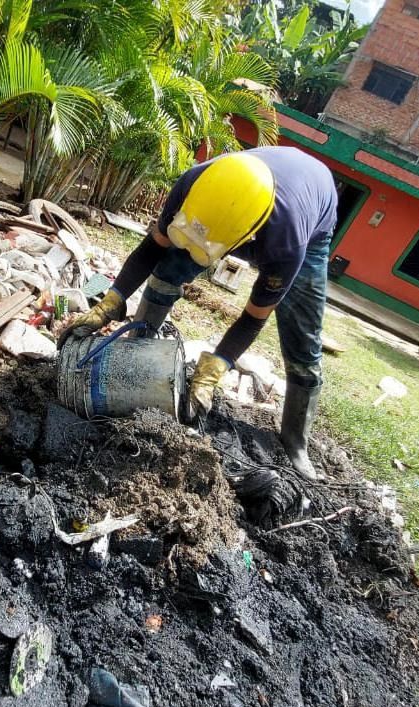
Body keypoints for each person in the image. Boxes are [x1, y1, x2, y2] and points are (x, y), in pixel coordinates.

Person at [60, 146, 338, 481]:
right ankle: (136, 356)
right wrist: (111, 301)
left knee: (302, 337)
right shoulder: (196, 183)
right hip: (228, 205)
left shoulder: (286, 243)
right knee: (167, 270)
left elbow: (254, 317)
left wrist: (215, 366)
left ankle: (295, 443)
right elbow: (154, 247)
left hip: (311, 211)